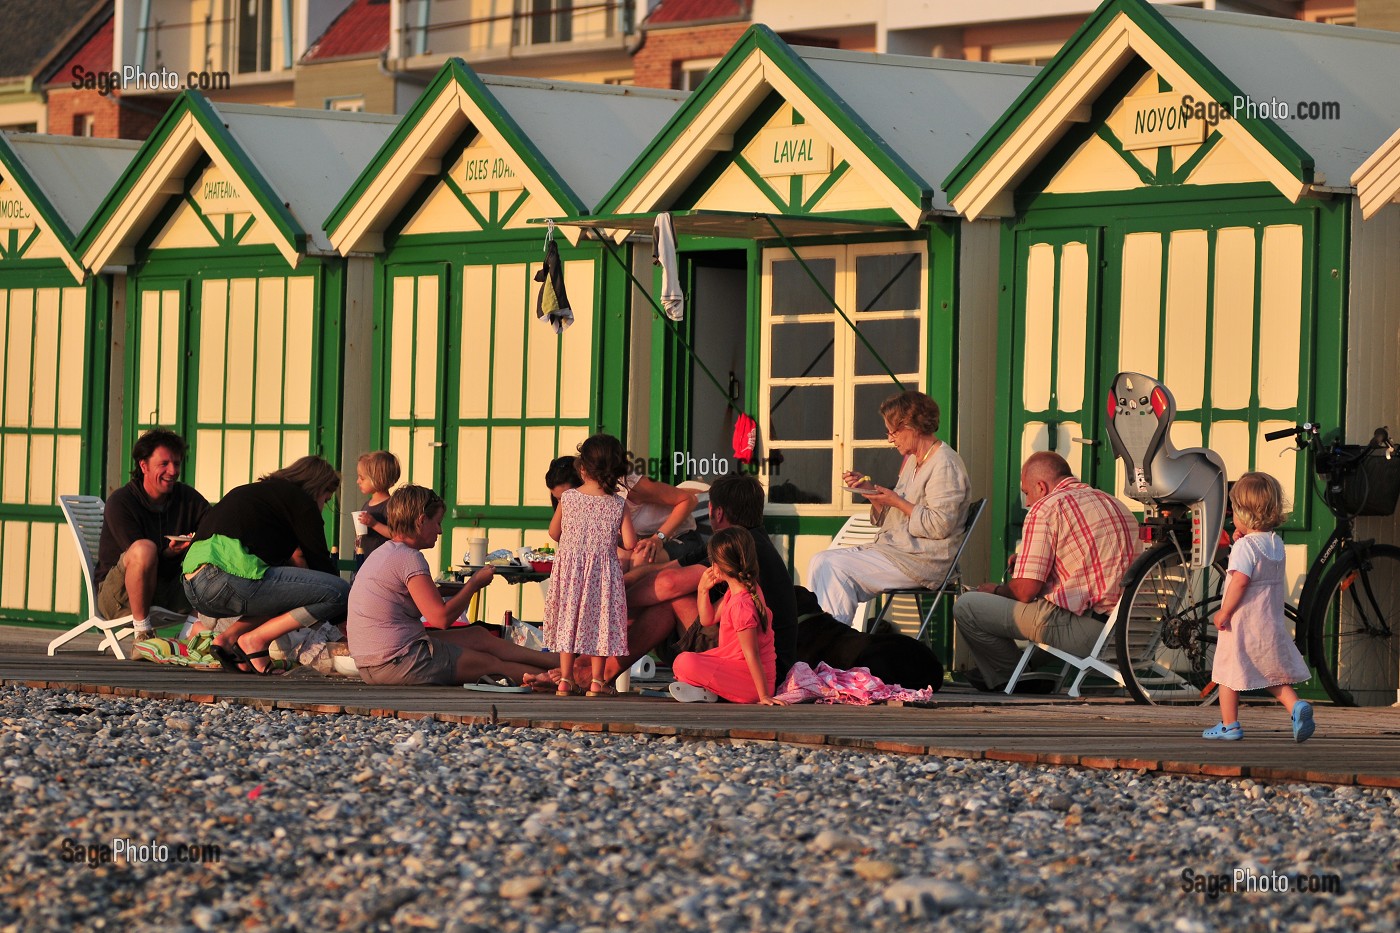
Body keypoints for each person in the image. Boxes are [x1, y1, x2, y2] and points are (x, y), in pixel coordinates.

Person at [953, 451, 1137, 692]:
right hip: (1129, 632)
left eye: (1027, 493)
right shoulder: (1113, 502)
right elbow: (1089, 565)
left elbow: (1025, 591)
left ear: (1041, 487)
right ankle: (1020, 671)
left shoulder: (1046, 508)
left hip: (1089, 633)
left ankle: (1012, 679)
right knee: (1051, 613)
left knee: (967, 606)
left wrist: (996, 590)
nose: (1028, 502)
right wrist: (1029, 562)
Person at [347, 485, 561, 687]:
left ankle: (556, 661)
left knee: (477, 635)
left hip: (373, 663)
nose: (440, 531)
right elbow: (440, 619)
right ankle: (553, 677)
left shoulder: (385, 552)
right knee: (488, 664)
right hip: (396, 662)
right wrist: (473, 585)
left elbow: (419, 596)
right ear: (421, 520)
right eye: (437, 523)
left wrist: (458, 588)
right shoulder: (409, 558)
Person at [807, 390, 971, 625]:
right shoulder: (915, 460)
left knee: (835, 568)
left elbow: (939, 525)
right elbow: (898, 515)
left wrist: (897, 501)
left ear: (912, 426)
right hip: (898, 551)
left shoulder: (945, 464)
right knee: (818, 560)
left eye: (893, 431)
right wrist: (873, 493)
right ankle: (823, 639)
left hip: (923, 561)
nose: (890, 439)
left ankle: (831, 647)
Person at [622, 473, 798, 684]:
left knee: (671, 601)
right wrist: (624, 583)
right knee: (654, 595)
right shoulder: (744, 539)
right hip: (756, 658)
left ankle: (595, 672)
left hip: (759, 669)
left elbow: (668, 583)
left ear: (718, 512)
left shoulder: (739, 547)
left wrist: (613, 602)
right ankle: (594, 672)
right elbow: (664, 568)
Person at [183, 456, 351, 674]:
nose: (323, 506)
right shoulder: (301, 501)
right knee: (338, 590)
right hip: (222, 580)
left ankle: (228, 640)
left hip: (193, 588)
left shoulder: (257, 493)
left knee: (288, 589)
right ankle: (255, 640)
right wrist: (343, 619)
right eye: (326, 498)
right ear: (317, 488)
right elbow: (319, 561)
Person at [1203, 473, 1314, 743]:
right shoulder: (1275, 543)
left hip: (1240, 624)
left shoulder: (1244, 548)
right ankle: (1296, 706)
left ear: (1244, 513)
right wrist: (1240, 540)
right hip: (1267, 623)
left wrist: (1224, 612)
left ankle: (1230, 725)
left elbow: (1240, 582)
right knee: (1271, 673)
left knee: (1228, 673)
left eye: (1234, 514)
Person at [544, 434, 637, 697]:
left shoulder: (569, 498)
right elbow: (630, 543)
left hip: (570, 571)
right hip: (603, 572)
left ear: (582, 468)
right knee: (600, 623)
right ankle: (597, 682)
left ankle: (565, 680)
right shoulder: (619, 503)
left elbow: (553, 532)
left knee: (568, 621)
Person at [94, 429, 209, 641]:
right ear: (143, 465)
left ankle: (188, 633)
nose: (173, 471)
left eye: (177, 463)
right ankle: (143, 634)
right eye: (164, 464)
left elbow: (213, 525)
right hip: (120, 598)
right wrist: (169, 553)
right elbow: (140, 557)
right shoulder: (121, 501)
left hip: (166, 591)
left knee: (217, 555)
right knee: (144, 549)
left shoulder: (187, 497)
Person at [670, 527, 782, 705]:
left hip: (752, 683)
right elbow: (707, 619)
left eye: (712, 561)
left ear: (719, 566)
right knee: (688, 660)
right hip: (738, 669)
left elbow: (751, 654)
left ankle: (710, 690)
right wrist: (702, 590)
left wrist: (764, 696)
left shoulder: (742, 606)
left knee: (683, 662)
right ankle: (707, 690)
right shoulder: (741, 591)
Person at [621, 468, 703, 567]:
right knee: (619, 560)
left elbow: (689, 500)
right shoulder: (600, 495)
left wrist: (658, 538)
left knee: (641, 558)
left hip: (680, 536)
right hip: (639, 541)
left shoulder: (629, 483)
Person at [354, 450, 400, 563]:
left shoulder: (390, 506)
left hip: (379, 563)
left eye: (362, 478)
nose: (358, 481)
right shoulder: (367, 503)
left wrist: (374, 524)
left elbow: (396, 534)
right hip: (363, 559)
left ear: (378, 478)